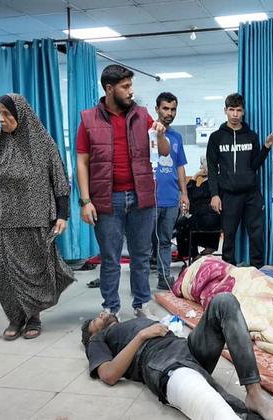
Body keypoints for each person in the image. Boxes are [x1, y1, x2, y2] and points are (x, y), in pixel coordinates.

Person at [81, 293, 273, 420]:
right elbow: (109, 375)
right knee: (218, 410)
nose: (99, 315)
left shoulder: (129, 323)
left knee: (224, 301)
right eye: (94, 322)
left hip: (185, 348)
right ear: (92, 335)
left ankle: (254, 394)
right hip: (158, 359)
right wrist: (142, 336)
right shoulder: (98, 340)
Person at [76, 65, 170, 316]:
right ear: (109, 89)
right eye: (125, 87)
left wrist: (161, 132)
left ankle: (141, 305)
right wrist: (85, 201)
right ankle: (110, 309)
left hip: (142, 198)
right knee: (110, 259)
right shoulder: (88, 119)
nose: (131, 91)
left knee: (141, 257)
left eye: (131, 86)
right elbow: (82, 162)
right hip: (107, 200)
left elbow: (164, 151)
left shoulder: (142, 115)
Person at [0, 93, 75, 340]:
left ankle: (33, 316)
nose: (1, 119)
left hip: (35, 215)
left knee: (35, 269)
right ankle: (15, 317)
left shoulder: (43, 142)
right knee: (5, 271)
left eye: (6, 113)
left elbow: (60, 180)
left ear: (21, 114)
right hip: (4, 215)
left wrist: (62, 215)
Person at [207, 93, 273, 268]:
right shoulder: (216, 137)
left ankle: (258, 272)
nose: (235, 114)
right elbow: (211, 169)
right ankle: (227, 274)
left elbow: (254, 165)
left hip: (251, 195)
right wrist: (214, 195)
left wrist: (266, 148)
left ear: (243, 111)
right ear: (225, 110)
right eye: (231, 110)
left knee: (257, 235)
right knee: (229, 236)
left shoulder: (251, 136)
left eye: (238, 110)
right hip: (229, 195)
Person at [150, 92, 188, 290]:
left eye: (173, 109)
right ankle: (139, 284)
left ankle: (164, 279)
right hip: (149, 199)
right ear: (156, 109)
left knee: (165, 241)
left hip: (171, 199)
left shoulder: (176, 137)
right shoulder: (147, 133)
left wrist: (184, 193)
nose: (169, 113)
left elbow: (180, 166)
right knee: (143, 245)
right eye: (165, 108)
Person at [175, 156, 222, 260]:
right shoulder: (212, 181)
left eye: (202, 164)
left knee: (182, 223)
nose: (200, 167)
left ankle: (193, 255)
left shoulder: (212, 183)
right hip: (209, 218)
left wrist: (195, 176)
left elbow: (189, 197)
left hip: (207, 219)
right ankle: (208, 248)